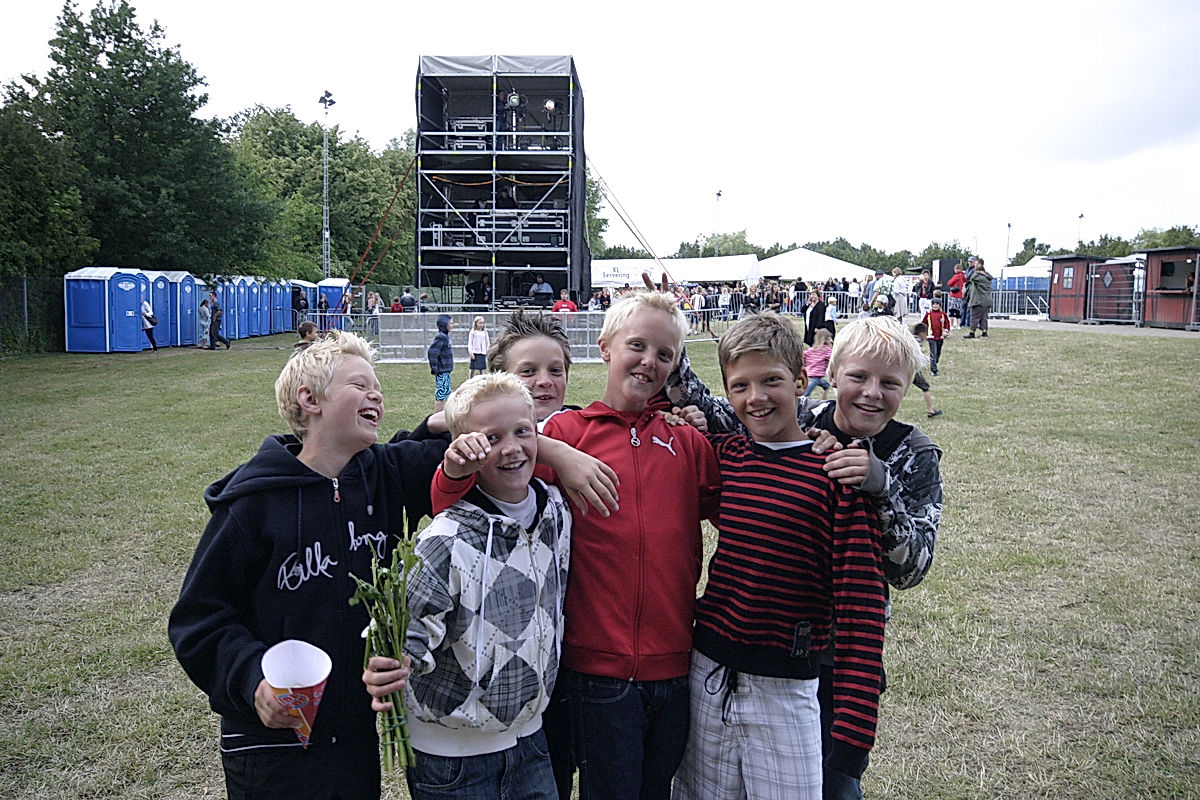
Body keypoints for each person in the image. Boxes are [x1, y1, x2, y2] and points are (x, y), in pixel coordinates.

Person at [433, 292, 722, 800]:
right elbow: (460, 496)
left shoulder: (687, 442)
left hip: (675, 666)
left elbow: (740, 511)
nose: (649, 361)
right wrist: (555, 450)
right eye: (637, 345)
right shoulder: (567, 432)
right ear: (605, 347)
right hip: (595, 671)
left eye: (665, 354)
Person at [664, 314, 943, 797]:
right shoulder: (802, 419)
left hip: (833, 656)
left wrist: (880, 487)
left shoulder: (912, 451)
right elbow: (728, 406)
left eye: (889, 383)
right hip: (731, 648)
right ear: (829, 373)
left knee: (831, 782)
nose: (872, 392)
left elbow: (909, 568)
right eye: (858, 377)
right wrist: (669, 327)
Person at [168, 331, 449, 800]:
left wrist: (448, 422)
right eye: (359, 385)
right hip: (268, 743)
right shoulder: (252, 505)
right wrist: (252, 678)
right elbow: (199, 619)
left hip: (353, 739)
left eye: (377, 387)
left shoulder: (383, 478)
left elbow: (477, 447)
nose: (376, 393)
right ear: (309, 399)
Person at [377, 372, 572, 800]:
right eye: (492, 437)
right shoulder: (443, 542)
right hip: (452, 759)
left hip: (532, 741)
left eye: (523, 431)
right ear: (466, 449)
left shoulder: (557, 511)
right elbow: (407, 641)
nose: (512, 447)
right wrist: (390, 668)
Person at [427, 314, 455, 413]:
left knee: (446, 393)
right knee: (441, 394)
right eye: (450, 323)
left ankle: (443, 414)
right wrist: (434, 368)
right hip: (442, 371)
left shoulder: (445, 337)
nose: (452, 325)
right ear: (444, 325)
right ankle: (437, 415)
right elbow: (432, 352)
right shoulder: (441, 337)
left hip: (446, 371)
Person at [965, 257, 994, 338]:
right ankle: (984, 332)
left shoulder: (979, 276)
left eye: (976, 264)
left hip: (978, 300)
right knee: (984, 317)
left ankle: (972, 333)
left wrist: (977, 271)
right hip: (986, 300)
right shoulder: (987, 277)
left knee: (974, 317)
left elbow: (972, 278)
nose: (974, 265)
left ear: (980, 265)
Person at [921, 299, 950, 376]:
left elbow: (947, 324)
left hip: (940, 337)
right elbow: (923, 324)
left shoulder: (943, 315)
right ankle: (933, 369)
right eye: (934, 304)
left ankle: (935, 361)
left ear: (940, 305)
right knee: (933, 352)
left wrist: (946, 331)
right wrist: (924, 334)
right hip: (931, 336)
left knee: (938, 352)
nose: (935, 305)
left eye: (937, 304)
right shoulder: (928, 315)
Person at [803, 327, 834, 399]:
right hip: (814, 377)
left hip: (814, 376)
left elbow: (803, 355)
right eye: (829, 339)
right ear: (825, 340)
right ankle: (800, 404)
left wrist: (804, 364)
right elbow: (832, 358)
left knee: (826, 386)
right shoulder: (826, 350)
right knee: (805, 394)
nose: (831, 341)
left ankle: (824, 400)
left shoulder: (811, 349)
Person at [945, 263, 967, 329]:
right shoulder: (963, 276)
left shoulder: (956, 276)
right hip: (960, 295)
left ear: (958, 269)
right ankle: (958, 325)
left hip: (953, 295)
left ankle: (951, 325)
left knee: (952, 311)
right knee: (958, 311)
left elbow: (949, 283)